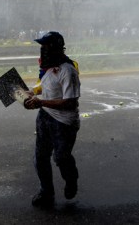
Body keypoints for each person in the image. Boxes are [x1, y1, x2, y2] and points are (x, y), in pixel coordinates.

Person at [23, 31, 81, 208]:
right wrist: (29, 95)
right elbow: (44, 85)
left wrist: (41, 103)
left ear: (57, 48)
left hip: (63, 122)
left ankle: (71, 179)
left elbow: (70, 102)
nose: (43, 50)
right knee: (40, 157)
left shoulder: (68, 71)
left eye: (47, 46)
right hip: (45, 116)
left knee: (61, 157)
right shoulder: (47, 67)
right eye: (42, 47)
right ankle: (46, 192)